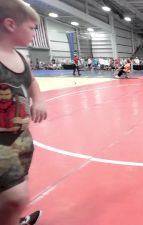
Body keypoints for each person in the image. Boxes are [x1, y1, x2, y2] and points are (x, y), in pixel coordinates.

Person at [0, 1, 48, 225]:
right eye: (31, 27)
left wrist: (38, 98)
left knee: (18, 182)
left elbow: (32, 83)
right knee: (15, 196)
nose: (34, 32)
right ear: (10, 24)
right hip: (2, 140)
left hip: (21, 136)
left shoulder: (20, 58)